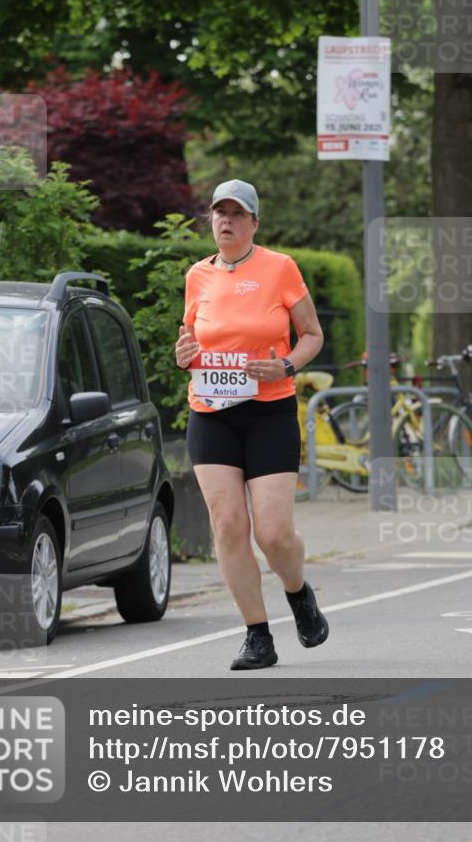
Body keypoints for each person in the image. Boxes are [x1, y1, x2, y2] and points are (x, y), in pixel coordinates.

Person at [175, 178, 329, 670]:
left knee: (274, 534)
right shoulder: (197, 275)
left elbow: (311, 335)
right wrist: (183, 355)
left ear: (254, 223)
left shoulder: (280, 268)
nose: (226, 220)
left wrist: (286, 365)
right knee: (227, 525)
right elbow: (190, 341)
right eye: (219, 212)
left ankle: (298, 592)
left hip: (269, 412)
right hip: (211, 413)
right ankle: (257, 635)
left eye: (237, 213)